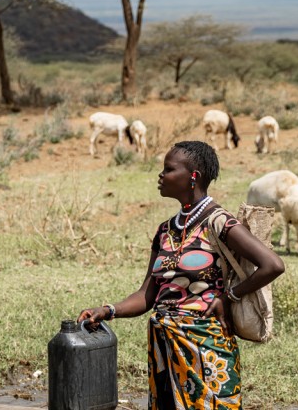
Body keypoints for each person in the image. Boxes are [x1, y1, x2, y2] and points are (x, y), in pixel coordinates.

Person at [78, 141, 285, 409]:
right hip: (165, 349)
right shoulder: (165, 230)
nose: (161, 175)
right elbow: (146, 295)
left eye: (169, 169)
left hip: (206, 347)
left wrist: (228, 296)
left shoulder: (219, 222)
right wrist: (108, 310)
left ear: (193, 177)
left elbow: (272, 264)